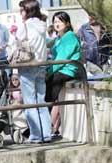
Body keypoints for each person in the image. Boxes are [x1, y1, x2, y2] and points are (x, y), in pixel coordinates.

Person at [16, 0, 52, 144]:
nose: (20, 13)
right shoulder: (42, 25)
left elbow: (16, 44)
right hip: (42, 65)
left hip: (28, 66)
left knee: (30, 102)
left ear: (27, 11)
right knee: (41, 101)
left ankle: (36, 135)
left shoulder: (25, 26)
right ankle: (46, 134)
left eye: (22, 10)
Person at [46, 11, 81, 140]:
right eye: (55, 22)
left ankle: (47, 126)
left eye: (59, 21)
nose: (57, 24)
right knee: (48, 92)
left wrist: (48, 72)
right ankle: (46, 125)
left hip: (67, 70)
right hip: (59, 69)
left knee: (49, 94)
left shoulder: (70, 37)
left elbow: (61, 59)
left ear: (67, 23)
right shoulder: (59, 38)